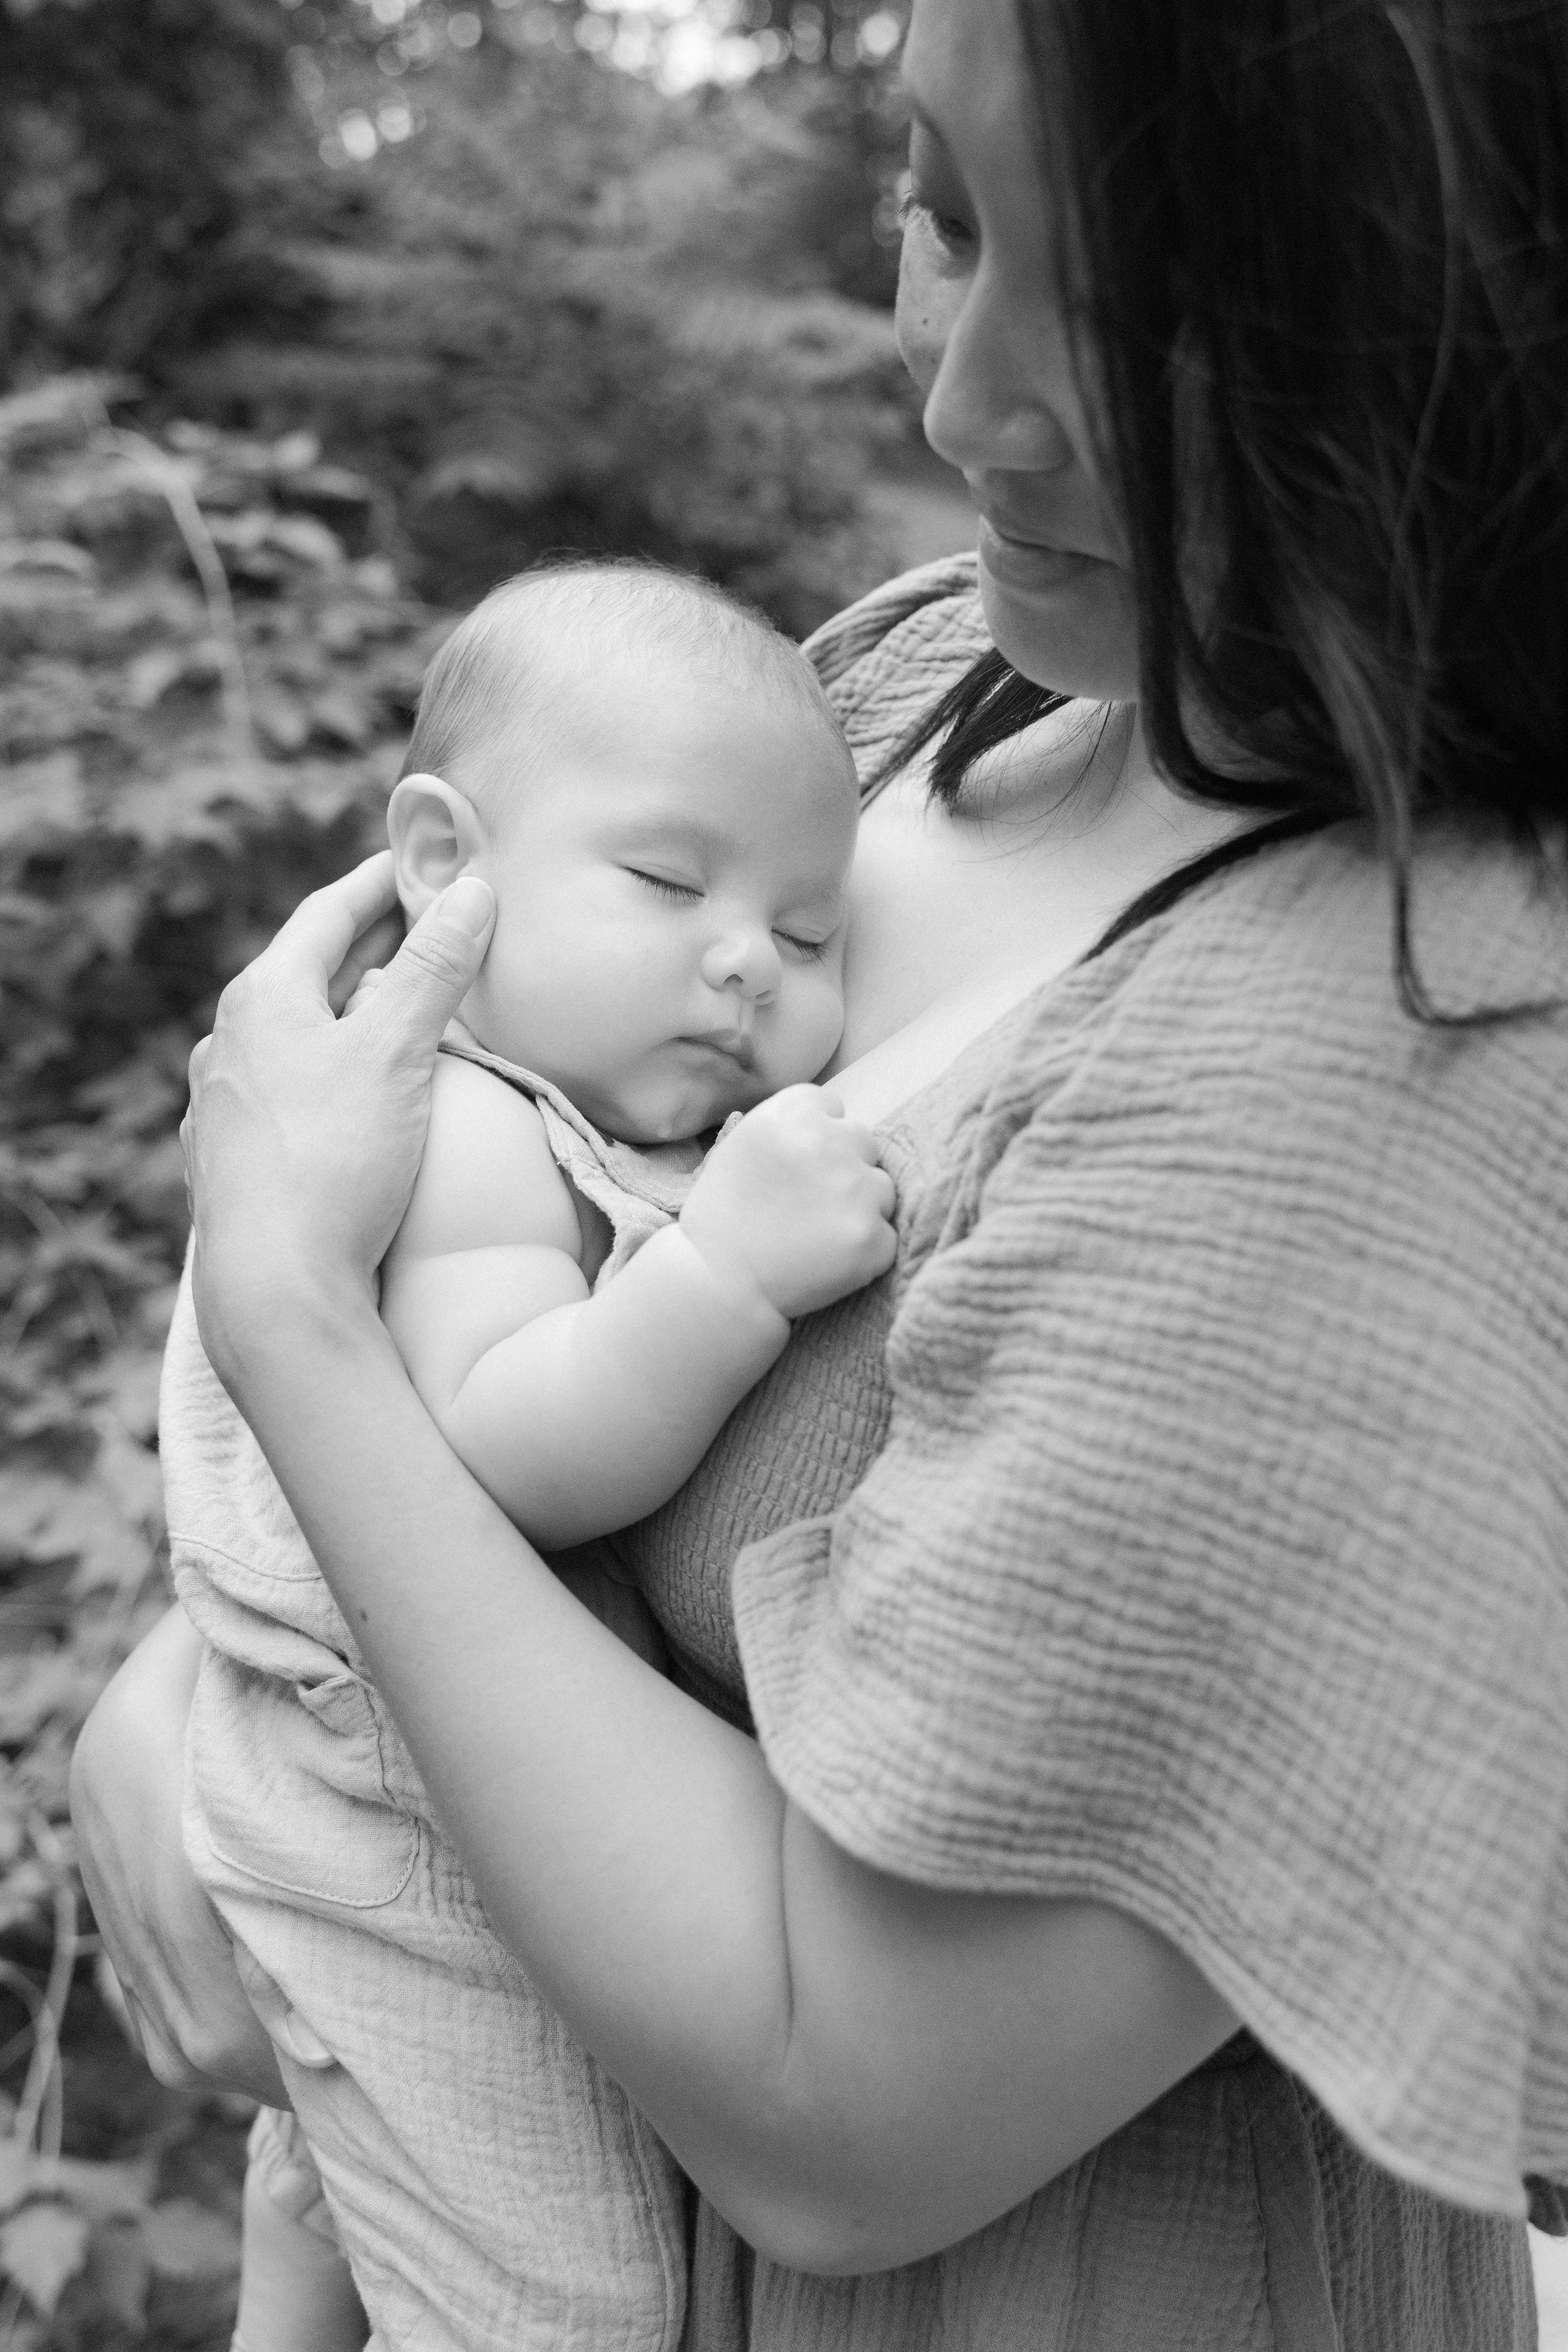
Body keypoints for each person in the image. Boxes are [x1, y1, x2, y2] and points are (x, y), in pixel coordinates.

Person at [72, 0, 1568, 2343]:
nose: (963, 397)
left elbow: (835, 2112)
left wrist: (278, 1312)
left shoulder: (1408, 1050)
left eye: (1153, 323)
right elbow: (499, 1274)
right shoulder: (911, 696)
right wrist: (203, 1676)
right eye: (940, 210)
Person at [163, 558, 894, 2350]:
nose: (745, 960)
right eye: (666, 882)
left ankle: (306, 2223)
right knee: (572, 2305)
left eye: (809, 940)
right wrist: (721, 1271)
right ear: (442, 870)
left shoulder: (545, 1105)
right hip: (383, 1804)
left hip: (435, 1791)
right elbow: (505, 1450)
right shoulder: (469, 1129)